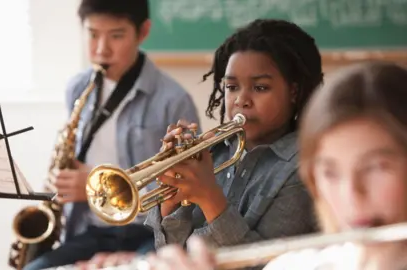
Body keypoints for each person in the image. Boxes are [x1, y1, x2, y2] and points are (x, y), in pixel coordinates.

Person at [77, 18, 325, 270]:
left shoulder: (304, 168)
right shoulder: (213, 153)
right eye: (231, 87)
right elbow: (171, 252)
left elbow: (264, 265)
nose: (241, 100)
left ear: (293, 92)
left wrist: (209, 197)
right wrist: (170, 201)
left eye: (260, 87)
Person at [144, 62, 407, 270]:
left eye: (376, 168)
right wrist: (171, 197)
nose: (351, 195)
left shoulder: (289, 169)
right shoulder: (295, 265)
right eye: (330, 173)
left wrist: (209, 196)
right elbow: (169, 244)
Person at [22, 0, 200, 269]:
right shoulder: (78, 88)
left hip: (150, 234)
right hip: (90, 230)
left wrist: (95, 189)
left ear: (143, 32)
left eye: (116, 36)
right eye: (93, 34)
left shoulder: (173, 100)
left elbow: (188, 188)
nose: (101, 49)